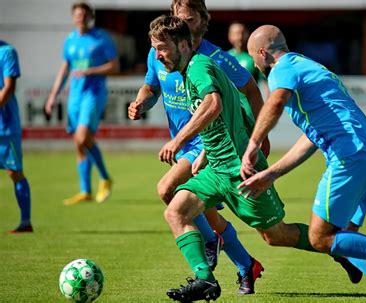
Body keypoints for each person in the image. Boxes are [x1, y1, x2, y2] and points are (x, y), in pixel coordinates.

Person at [149, 15, 361, 303]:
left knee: (276, 235)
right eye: (155, 48)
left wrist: (179, 140)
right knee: (176, 211)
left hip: (240, 170)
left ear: (183, 45)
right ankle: (205, 280)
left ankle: (337, 247)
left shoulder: (199, 67)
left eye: (162, 48)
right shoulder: (188, 72)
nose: (157, 55)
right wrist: (203, 153)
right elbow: (230, 110)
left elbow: (213, 104)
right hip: (215, 169)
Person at [238, 25, 366, 303]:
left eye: (254, 58)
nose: (255, 64)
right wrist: (272, 173)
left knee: (320, 237)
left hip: (349, 155)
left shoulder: (282, 68)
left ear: (263, 53)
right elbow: (310, 139)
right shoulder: (310, 67)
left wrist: (253, 144)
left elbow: (275, 103)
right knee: (345, 237)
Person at [127, 10, 265, 297]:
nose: (185, 24)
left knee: (168, 189)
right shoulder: (160, 52)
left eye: (190, 19)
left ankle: (208, 249)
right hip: (184, 140)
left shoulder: (213, 58)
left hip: (207, 141)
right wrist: (141, 103)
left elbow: (249, 90)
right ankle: (244, 263)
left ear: (203, 19)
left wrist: (258, 134)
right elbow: (151, 88)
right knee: (205, 212)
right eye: (180, 17)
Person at [45, 1, 118, 205]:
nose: (81, 19)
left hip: (93, 94)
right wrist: (53, 95)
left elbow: (114, 65)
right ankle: (85, 190)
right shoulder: (70, 40)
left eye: (84, 16)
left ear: (90, 17)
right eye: (77, 16)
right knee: (78, 143)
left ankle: (105, 178)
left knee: (83, 136)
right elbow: (65, 68)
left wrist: (90, 71)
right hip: (75, 96)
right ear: (73, 18)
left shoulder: (101, 38)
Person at [0, 40, 33, 234]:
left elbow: (9, 86)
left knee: (14, 172)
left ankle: (25, 222)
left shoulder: (7, 52)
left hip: (5, 128)